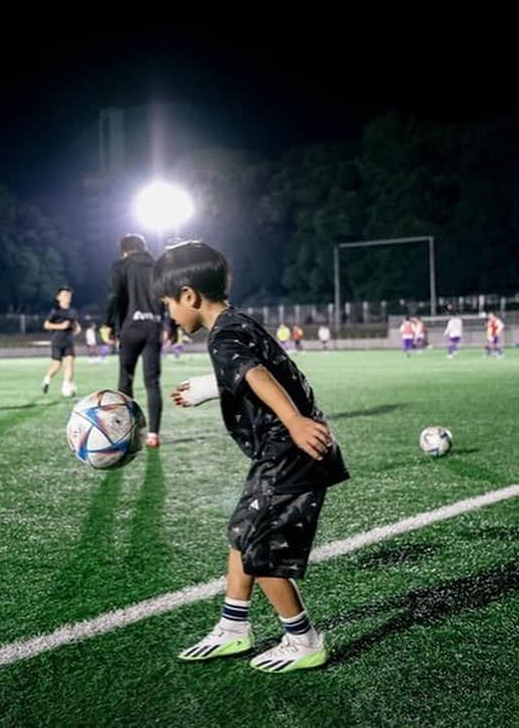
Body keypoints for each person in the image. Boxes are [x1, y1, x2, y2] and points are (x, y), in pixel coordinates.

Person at [155, 241, 350, 673]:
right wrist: (211, 387)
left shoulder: (224, 335)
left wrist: (296, 423)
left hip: (290, 449)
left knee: (261, 549)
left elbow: (256, 373)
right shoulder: (237, 323)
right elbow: (258, 367)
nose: (167, 312)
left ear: (189, 296)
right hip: (280, 450)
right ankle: (233, 626)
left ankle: (304, 640)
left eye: (167, 302)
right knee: (242, 534)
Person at [105, 234, 164, 448]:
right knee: (152, 383)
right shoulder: (158, 266)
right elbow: (168, 294)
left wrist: (109, 323)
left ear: (124, 250)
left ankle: (127, 433)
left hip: (131, 328)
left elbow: (115, 296)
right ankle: (153, 435)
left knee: (125, 380)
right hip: (153, 327)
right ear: (143, 247)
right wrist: (172, 326)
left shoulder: (122, 266)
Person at [41, 286, 81, 396]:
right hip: (57, 341)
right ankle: (47, 379)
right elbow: (46, 325)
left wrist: (77, 328)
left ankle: (66, 386)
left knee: (70, 364)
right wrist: (60, 326)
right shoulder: (55, 311)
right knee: (56, 365)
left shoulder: (72, 311)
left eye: (68, 296)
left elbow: (75, 324)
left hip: (69, 341)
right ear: (58, 297)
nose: (66, 297)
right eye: (64, 295)